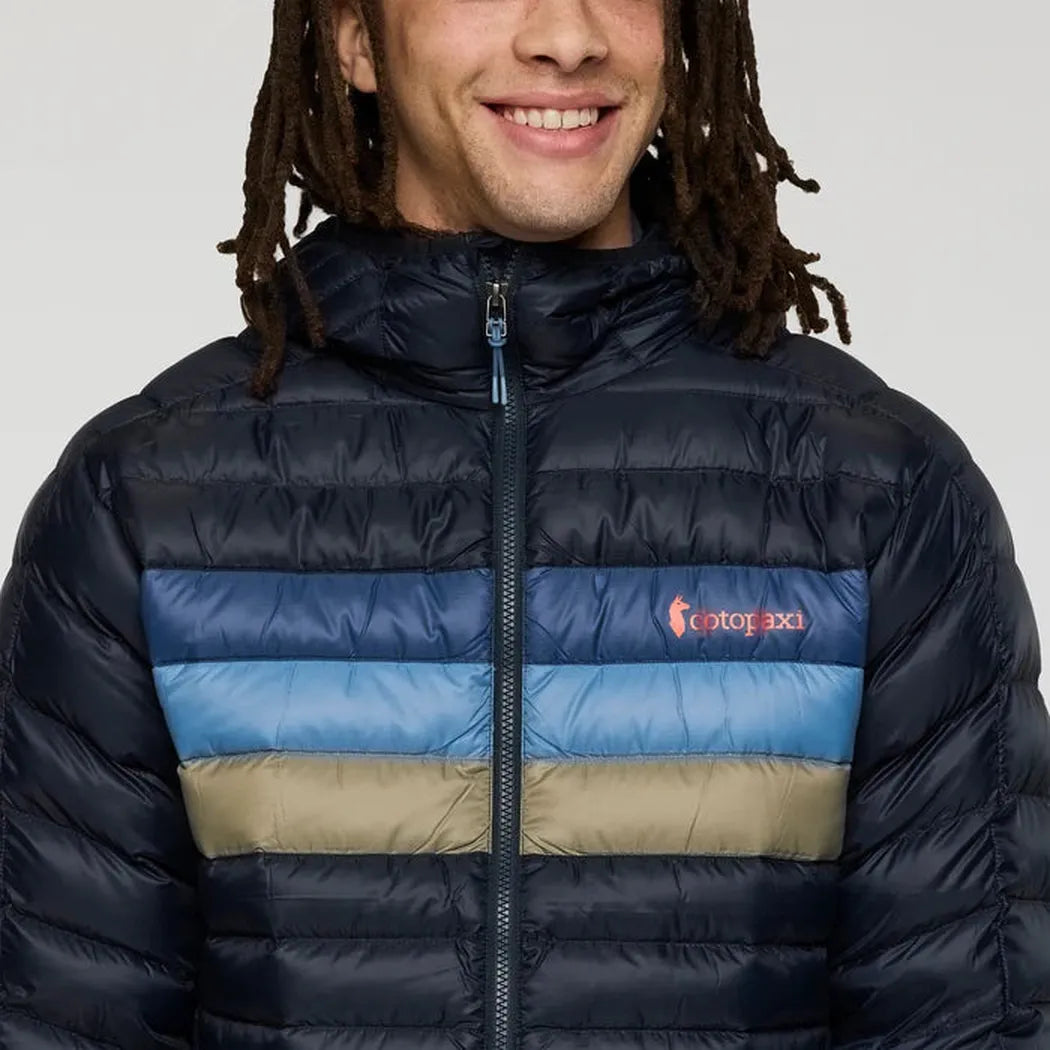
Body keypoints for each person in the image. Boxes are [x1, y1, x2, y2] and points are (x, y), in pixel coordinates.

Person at [0, 0, 1047, 1047]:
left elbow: (969, 1021)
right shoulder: (146, 503)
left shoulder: (876, 495)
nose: (569, 36)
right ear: (356, 38)